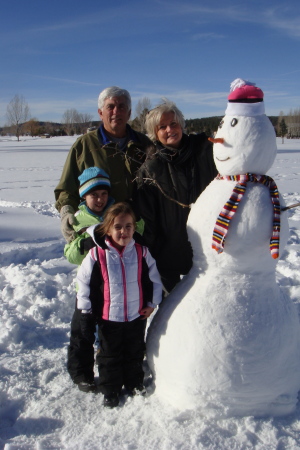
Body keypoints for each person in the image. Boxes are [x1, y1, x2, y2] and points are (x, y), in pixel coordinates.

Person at [75, 202, 163, 407]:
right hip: (109, 317)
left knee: (134, 351)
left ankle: (134, 382)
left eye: (128, 226)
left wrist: (152, 303)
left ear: (134, 227)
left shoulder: (141, 252)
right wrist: (86, 310)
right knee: (109, 355)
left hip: (135, 315)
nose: (123, 231)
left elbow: (154, 279)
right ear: (107, 228)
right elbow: (84, 282)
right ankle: (110, 389)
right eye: (118, 227)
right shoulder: (97, 254)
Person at [135, 100, 217, 293]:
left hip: (206, 251)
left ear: (182, 125)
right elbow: (147, 219)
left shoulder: (205, 153)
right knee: (172, 314)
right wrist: (149, 255)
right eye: (162, 127)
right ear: (154, 134)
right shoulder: (150, 169)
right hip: (167, 257)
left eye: (173, 124)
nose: (169, 130)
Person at [54, 86, 151, 243]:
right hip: (99, 228)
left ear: (129, 113)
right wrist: (66, 211)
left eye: (121, 107)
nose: (116, 112)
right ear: (100, 113)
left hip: (136, 228)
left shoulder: (143, 144)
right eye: (110, 107)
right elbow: (67, 187)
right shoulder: (84, 145)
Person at [66, 166, 114, 393]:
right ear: (84, 196)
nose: (100, 199)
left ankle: (108, 370)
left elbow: (136, 229)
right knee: (82, 331)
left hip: (113, 286)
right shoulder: (77, 220)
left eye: (104, 193)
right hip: (86, 289)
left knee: (109, 330)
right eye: (94, 194)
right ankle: (81, 373)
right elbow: (70, 255)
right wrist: (81, 244)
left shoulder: (117, 212)